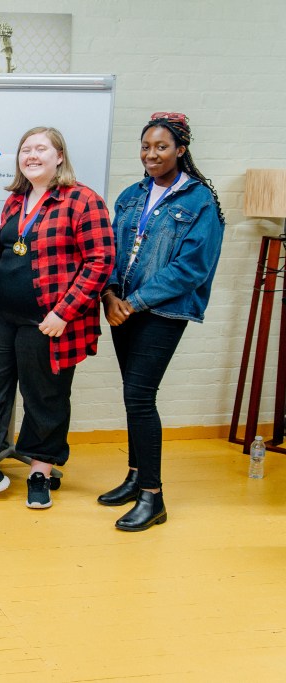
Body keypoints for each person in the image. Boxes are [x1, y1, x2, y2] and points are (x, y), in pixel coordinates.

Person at [0, 126, 114, 509]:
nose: (31, 155)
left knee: (45, 397)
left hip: (48, 321)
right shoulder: (16, 200)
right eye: (25, 149)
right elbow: (0, 248)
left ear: (59, 156)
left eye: (41, 149)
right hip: (0, 315)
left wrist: (64, 312)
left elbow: (101, 260)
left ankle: (39, 473)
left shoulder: (83, 200)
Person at [99, 112, 224, 531]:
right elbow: (111, 250)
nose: (151, 154)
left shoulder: (199, 201)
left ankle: (153, 497)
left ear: (180, 150)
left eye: (161, 147)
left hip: (162, 312)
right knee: (131, 395)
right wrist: (109, 295)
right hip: (122, 307)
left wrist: (131, 303)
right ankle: (136, 477)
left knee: (140, 397)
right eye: (146, 147)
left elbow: (191, 268)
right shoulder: (131, 195)